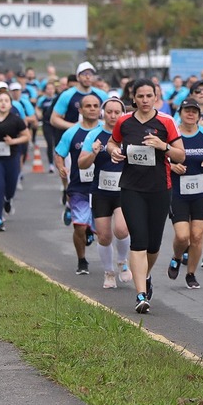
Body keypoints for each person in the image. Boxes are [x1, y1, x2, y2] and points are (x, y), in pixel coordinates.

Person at [108, 80, 185, 314]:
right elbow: (113, 142)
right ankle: (141, 294)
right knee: (138, 240)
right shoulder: (124, 121)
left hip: (160, 188)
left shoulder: (166, 122)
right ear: (134, 98)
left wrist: (163, 146)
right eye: (140, 96)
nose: (144, 100)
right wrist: (113, 152)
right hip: (131, 188)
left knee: (153, 244)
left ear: (155, 97)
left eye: (148, 95)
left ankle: (146, 275)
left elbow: (180, 155)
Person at [77, 96, 133, 289]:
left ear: (123, 113)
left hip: (123, 190)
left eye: (117, 112)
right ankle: (109, 272)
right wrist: (93, 153)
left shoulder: (129, 134)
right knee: (104, 236)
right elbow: (81, 164)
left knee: (122, 229)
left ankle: (122, 261)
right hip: (100, 191)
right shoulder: (94, 135)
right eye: (109, 112)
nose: (113, 116)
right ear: (103, 113)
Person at [166, 97, 203, 290]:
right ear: (180, 113)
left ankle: (191, 273)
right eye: (187, 111)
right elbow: (161, 158)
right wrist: (172, 166)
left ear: (199, 115)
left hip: (201, 191)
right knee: (183, 237)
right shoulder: (173, 135)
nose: (190, 114)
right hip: (177, 192)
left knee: (196, 236)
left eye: (194, 111)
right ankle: (176, 256)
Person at [54, 94, 102, 275]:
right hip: (79, 186)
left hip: (102, 187)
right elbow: (59, 153)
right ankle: (82, 260)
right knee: (78, 226)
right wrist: (60, 168)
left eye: (95, 105)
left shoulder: (106, 131)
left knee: (102, 230)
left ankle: (91, 230)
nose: (92, 109)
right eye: (88, 106)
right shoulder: (72, 132)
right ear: (80, 110)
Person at [0, 90, 30, 232]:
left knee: (10, 189)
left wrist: (13, 141)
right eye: (0, 100)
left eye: (6, 101)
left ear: (10, 104)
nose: (3, 103)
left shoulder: (16, 120)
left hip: (11, 158)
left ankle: (8, 200)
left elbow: (26, 136)